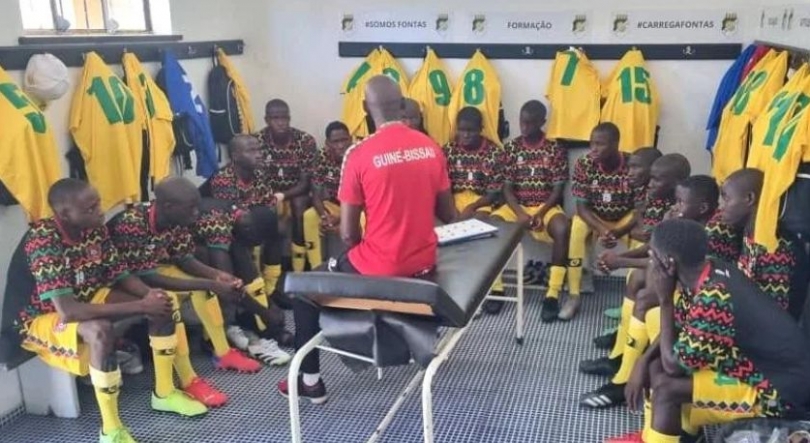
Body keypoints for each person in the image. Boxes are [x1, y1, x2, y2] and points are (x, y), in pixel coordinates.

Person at [276, 75, 456, 403]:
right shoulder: (431, 147)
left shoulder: (358, 154)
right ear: (401, 105)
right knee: (337, 271)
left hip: (381, 268)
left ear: (364, 108)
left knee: (303, 291)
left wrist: (365, 259)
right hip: (423, 263)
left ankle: (311, 382)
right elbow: (448, 214)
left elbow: (348, 234)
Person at [15, 179, 206, 443]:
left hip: (89, 296)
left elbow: (120, 274)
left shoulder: (95, 229)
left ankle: (165, 393)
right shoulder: (44, 241)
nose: (100, 211)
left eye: (98, 204)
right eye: (90, 209)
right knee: (100, 330)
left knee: (163, 304)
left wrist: (149, 295)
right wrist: (141, 305)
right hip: (43, 315)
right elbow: (68, 311)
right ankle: (111, 429)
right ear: (65, 214)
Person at [614, 219, 810, 443]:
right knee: (655, 363)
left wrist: (665, 299)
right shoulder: (708, 269)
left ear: (669, 263)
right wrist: (643, 361)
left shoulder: (714, 298)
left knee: (666, 388)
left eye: (653, 256)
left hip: (777, 393)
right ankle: (670, 435)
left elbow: (674, 366)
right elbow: (680, 324)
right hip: (752, 366)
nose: (651, 262)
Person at [108, 177, 262, 408]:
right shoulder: (132, 224)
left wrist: (216, 276)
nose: (196, 213)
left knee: (204, 288)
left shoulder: (176, 219)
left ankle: (223, 353)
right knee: (169, 301)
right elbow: (145, 277)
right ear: (168, 206)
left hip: (152, 269)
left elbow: (185, 259)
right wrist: (209, 284)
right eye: (191, 207)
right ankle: (189, 380)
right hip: (122, 282)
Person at [490, 100, 570, 322]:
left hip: (545, 206)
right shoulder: (512, 148)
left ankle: (552, 294)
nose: (524, 127)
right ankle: (496, 288)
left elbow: (557, 190)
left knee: (563, 228)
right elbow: (507, 188)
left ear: (542, 122)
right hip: (518, 206)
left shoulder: (555, 149)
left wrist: (541, 213)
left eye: (530, 123)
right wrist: (520, 214)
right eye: (522, 122)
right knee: (492, 225)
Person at [192, 198, 292, 366]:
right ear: (248, 230)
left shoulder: (240, 213)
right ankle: (214, 337)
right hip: (178, 252)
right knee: (220, 259)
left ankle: (263, 328)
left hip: (204, 240)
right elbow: (229, 286)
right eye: (255, 243)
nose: (253, 248)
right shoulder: (217, 225)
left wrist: (268, 303)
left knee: (238, 249)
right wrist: (264, 311)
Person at [565, 123, 641, 320]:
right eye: (592, 143)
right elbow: (581, 208)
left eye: (600, 144)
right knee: (577, 227)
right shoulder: (584, 163)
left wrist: (619, 231)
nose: (594, 149)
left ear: (616, 144)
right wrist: (602, 229)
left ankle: (631, 302)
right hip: (595, 217)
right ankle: (574, 295)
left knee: (641, 235)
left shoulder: (632, 165)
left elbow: (641, 210)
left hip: (625, 218)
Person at [209, 134, 285, 306]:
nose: (258, 154)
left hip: (253, 222)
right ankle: (257, 294)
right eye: (251, 151)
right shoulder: (223, 179)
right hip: (228, 231)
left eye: (259, 149)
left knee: (278, 228)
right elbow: (234, 217)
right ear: (235, 156)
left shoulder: (259, 173)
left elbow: (268, 203)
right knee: (246, 236)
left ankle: (271, 288)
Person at [444, 106, 507, 314]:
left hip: (482, 201)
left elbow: (493, 193)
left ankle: (496, 288)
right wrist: (452, 210)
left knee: (480, 230)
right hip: (454, 199)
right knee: (441, 228)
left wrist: (471, 207)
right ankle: (455, 288)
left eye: (470, 130)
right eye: (461, 130)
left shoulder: (493, 153)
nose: (465, 135)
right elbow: (443, 187)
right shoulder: (449, 150)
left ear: (480, 129)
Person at [720, 168, 805, 314]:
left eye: (726, 199)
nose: (721, 207)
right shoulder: (750, 233)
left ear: (749, 198)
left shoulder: (774, 246)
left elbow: (774, 312)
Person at [256, 99, 318, 273]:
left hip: (297, 193)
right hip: (268, 193)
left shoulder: (305, 141)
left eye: (284, 118)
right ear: (267, 120)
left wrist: (283, 197)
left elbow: (306, 183)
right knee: (266, 210)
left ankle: (299, 268)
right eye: (275, 118)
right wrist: (273, 200)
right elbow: (257, 180)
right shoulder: (257, 141)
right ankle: (270, 269)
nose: (281, 122)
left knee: (299, 204)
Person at [302, 121, 361, 269]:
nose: (341, 145)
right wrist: (325, 217)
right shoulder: (321, 157)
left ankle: (360, 267)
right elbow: (316, 194)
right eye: (335, 142)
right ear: (328, 143)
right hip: (333, 206)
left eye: (344, 140)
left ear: (350, 139)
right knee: (309, 216)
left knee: (365, 218)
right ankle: (316, 269)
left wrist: (341, 219)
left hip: (358, 208)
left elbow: (365, 198)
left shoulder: (360, 155)